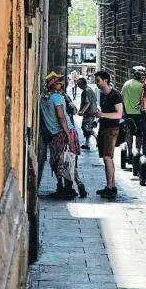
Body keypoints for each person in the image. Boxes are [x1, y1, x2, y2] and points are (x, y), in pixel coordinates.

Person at [39, 71, 88, 199]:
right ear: (52, 85)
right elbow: (61, 117)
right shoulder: (56, 97)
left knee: (59, 161)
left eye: (61, 82)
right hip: (65, 131)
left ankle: (64, 186)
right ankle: (74, 184)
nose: (61, 84)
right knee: (68, 160)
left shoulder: (44, 97)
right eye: (58, 82)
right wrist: (67, 133)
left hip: (55, 133)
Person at [94, 70, 123, 199]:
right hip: (103, 127)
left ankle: (110, 187)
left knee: (107, 157)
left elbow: (119, 114)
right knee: (107, 157)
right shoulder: (102, 94)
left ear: (106, 80)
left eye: (98, 80)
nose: (96, 83)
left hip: (112, 129)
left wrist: (103, 115)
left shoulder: (115, 95)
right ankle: (111, 185)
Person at [122, 66, 146, 154]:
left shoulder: (126, 84)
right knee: (139, 134)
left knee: (129, 132)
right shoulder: (142, 86)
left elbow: (121, 97)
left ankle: (129, 151)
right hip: (139, 113)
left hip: (128, 113)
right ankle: (137, 151)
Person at [76, 77, 99, 150]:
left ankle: (97, 137)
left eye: (79, 84)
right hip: (90, 112)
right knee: (88, 127)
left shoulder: (87, 91)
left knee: (86, 127)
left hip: (89, 112)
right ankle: (87, 143)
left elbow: (87, 103)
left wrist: (82, 111)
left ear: (83, 83)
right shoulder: (87, 90)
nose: (78, 85)